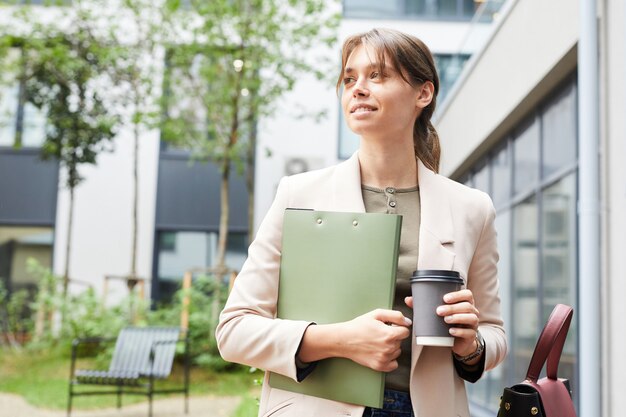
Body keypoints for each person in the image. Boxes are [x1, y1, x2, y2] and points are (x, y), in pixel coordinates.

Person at [216, 28, 507, 417]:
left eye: (378, 75)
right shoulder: (297, 195)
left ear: (424, 93)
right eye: (350, 78)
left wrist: (471, 347)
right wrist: (338, 339)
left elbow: (494, 333)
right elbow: (234, 330)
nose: (358, 88)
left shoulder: (472, 208)